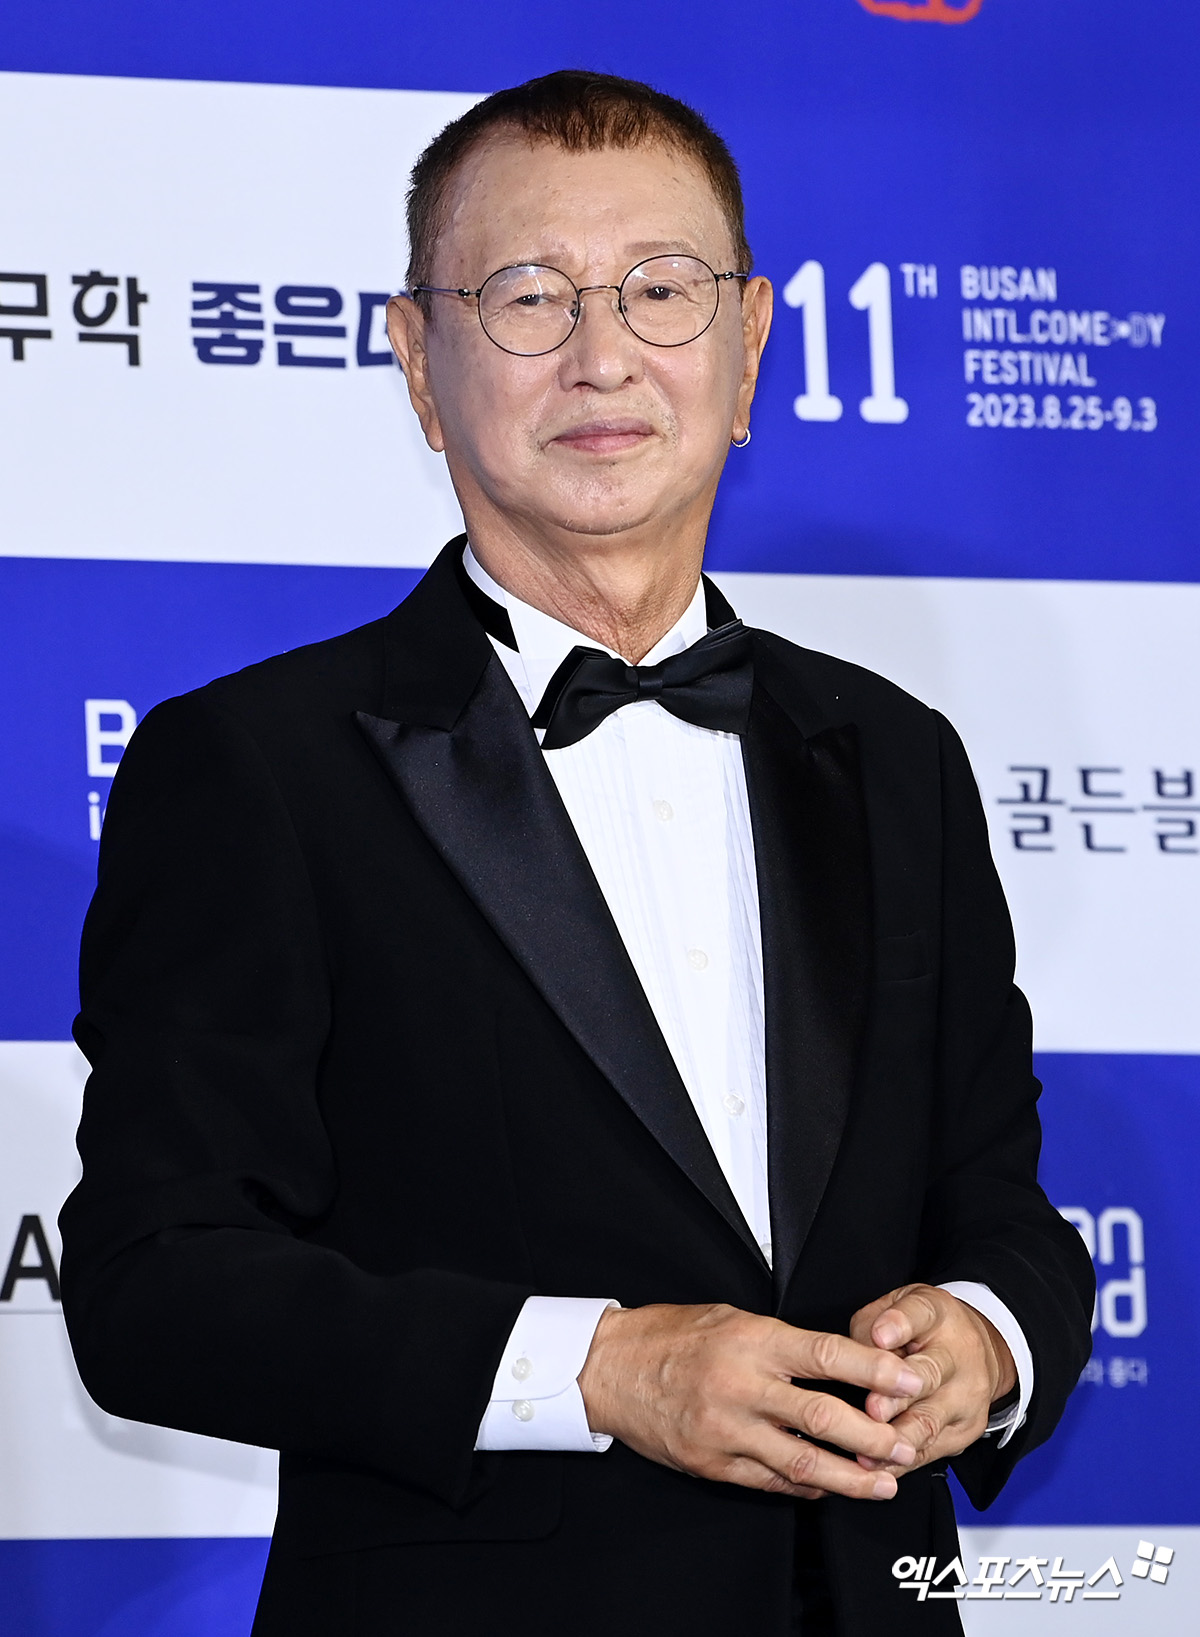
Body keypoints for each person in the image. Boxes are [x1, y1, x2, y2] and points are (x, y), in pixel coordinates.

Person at [59, 69, 1094, 1637]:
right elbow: (153, 1285)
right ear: (420, 364)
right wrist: (598, 1370)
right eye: (528, 297)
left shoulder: (897, 758)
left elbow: (1003, 1208)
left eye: (661, 291)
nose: (603, 354)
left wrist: (988, 1333)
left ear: (749, 348)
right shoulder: (258, 767)